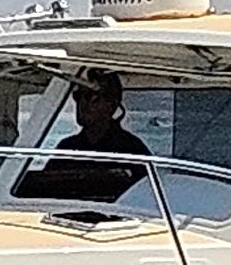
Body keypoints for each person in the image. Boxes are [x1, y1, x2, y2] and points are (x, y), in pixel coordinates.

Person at [12, 72, 152, 204]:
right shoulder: (67, 148)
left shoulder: (132, 150)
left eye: (92, 97)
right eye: (78, 96)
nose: (82, 104)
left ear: (112, 104)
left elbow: (145, 198)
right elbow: (44, 189)